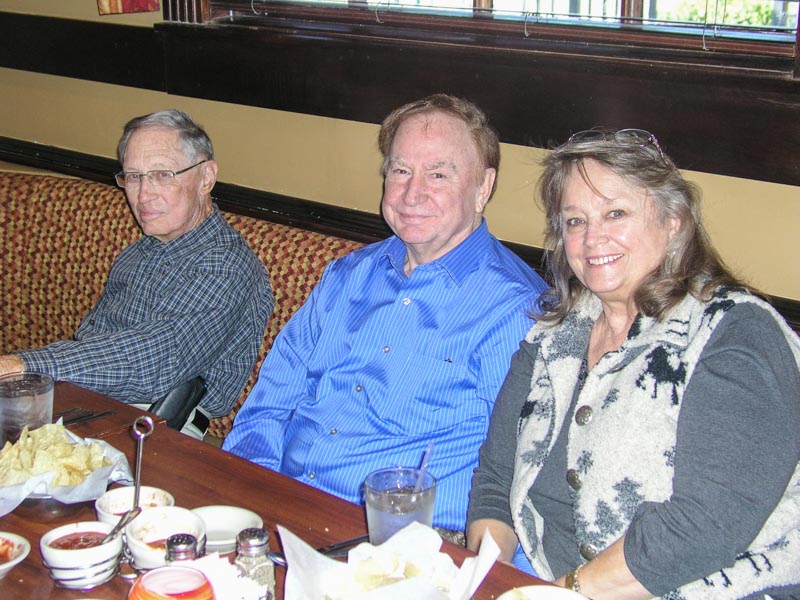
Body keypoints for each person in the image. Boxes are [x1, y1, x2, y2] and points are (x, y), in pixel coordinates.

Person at [466, 128, 800, 599]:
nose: (591, 238)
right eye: (575, 221)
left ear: (674, 221)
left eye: (615, 213)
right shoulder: (551, 339)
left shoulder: (734, 333)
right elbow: (496, 482)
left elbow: (704, 524)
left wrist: (558, 593)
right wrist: (483, 580)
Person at [223, 94, 548, 545]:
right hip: (282, 506)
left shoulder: (516, 311)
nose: (412, 194)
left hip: (406, 542)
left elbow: (522, 473)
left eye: (438, 174)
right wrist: (250, 492)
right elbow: (271, 401)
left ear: (483, 187)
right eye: (400, 171)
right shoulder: (346, 275)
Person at [0, 109, 274, 439]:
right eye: (133, 177)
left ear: (206, 178)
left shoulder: (228, 266)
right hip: (85, 405)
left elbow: (154, 359)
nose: (143, 195)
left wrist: (25, 367)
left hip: (157, 430)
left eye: (162, 175)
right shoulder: (142, 250)